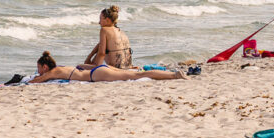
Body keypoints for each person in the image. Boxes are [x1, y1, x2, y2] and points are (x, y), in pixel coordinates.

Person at [30, 51, 184, 83]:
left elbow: (38, 80)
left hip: (97, 75)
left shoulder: (54, 71)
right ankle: (172, 73)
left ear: (44, 67)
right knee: (134, 73)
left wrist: (29, 81)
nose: (38, 71)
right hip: (98, 70)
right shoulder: (61, 68)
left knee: (136, 76)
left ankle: (175, 76)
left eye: (38, 68)